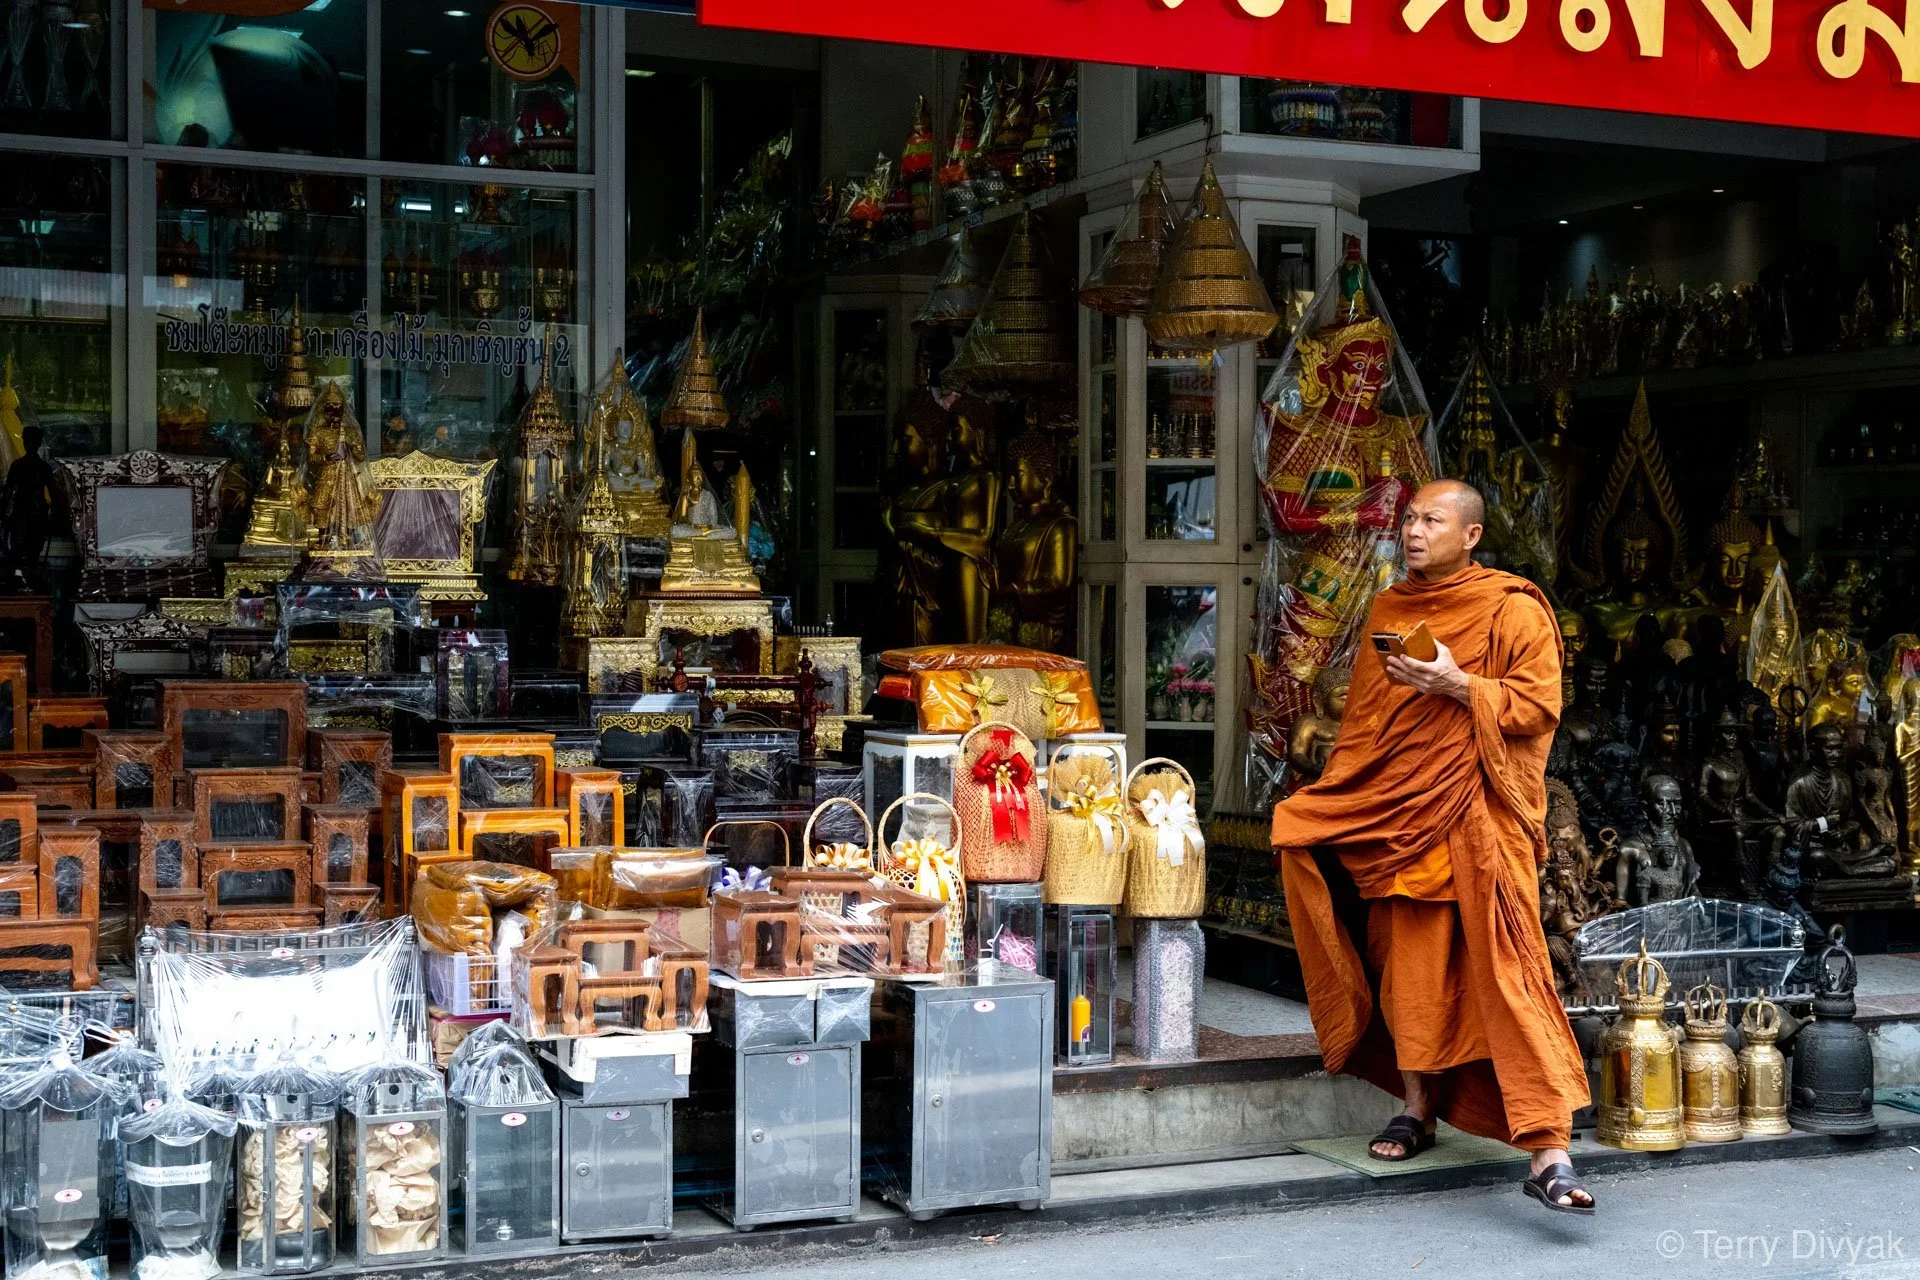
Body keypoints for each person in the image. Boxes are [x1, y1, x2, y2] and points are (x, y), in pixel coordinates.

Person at [1271, 479, 1594, 1215]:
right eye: (1409, 519)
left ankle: (1550, 1149)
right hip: (1404, 820)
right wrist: (1342, 800)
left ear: (1471, 535)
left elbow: (1538, 705)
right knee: (1407, 974)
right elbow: (1365, 725)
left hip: (1480, 819)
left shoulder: (1514, 607)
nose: (1413, 532)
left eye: (1431, 520)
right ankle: (1416, 1108)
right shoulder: (1390, 609)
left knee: (1510, 975)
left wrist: (1458, 683)